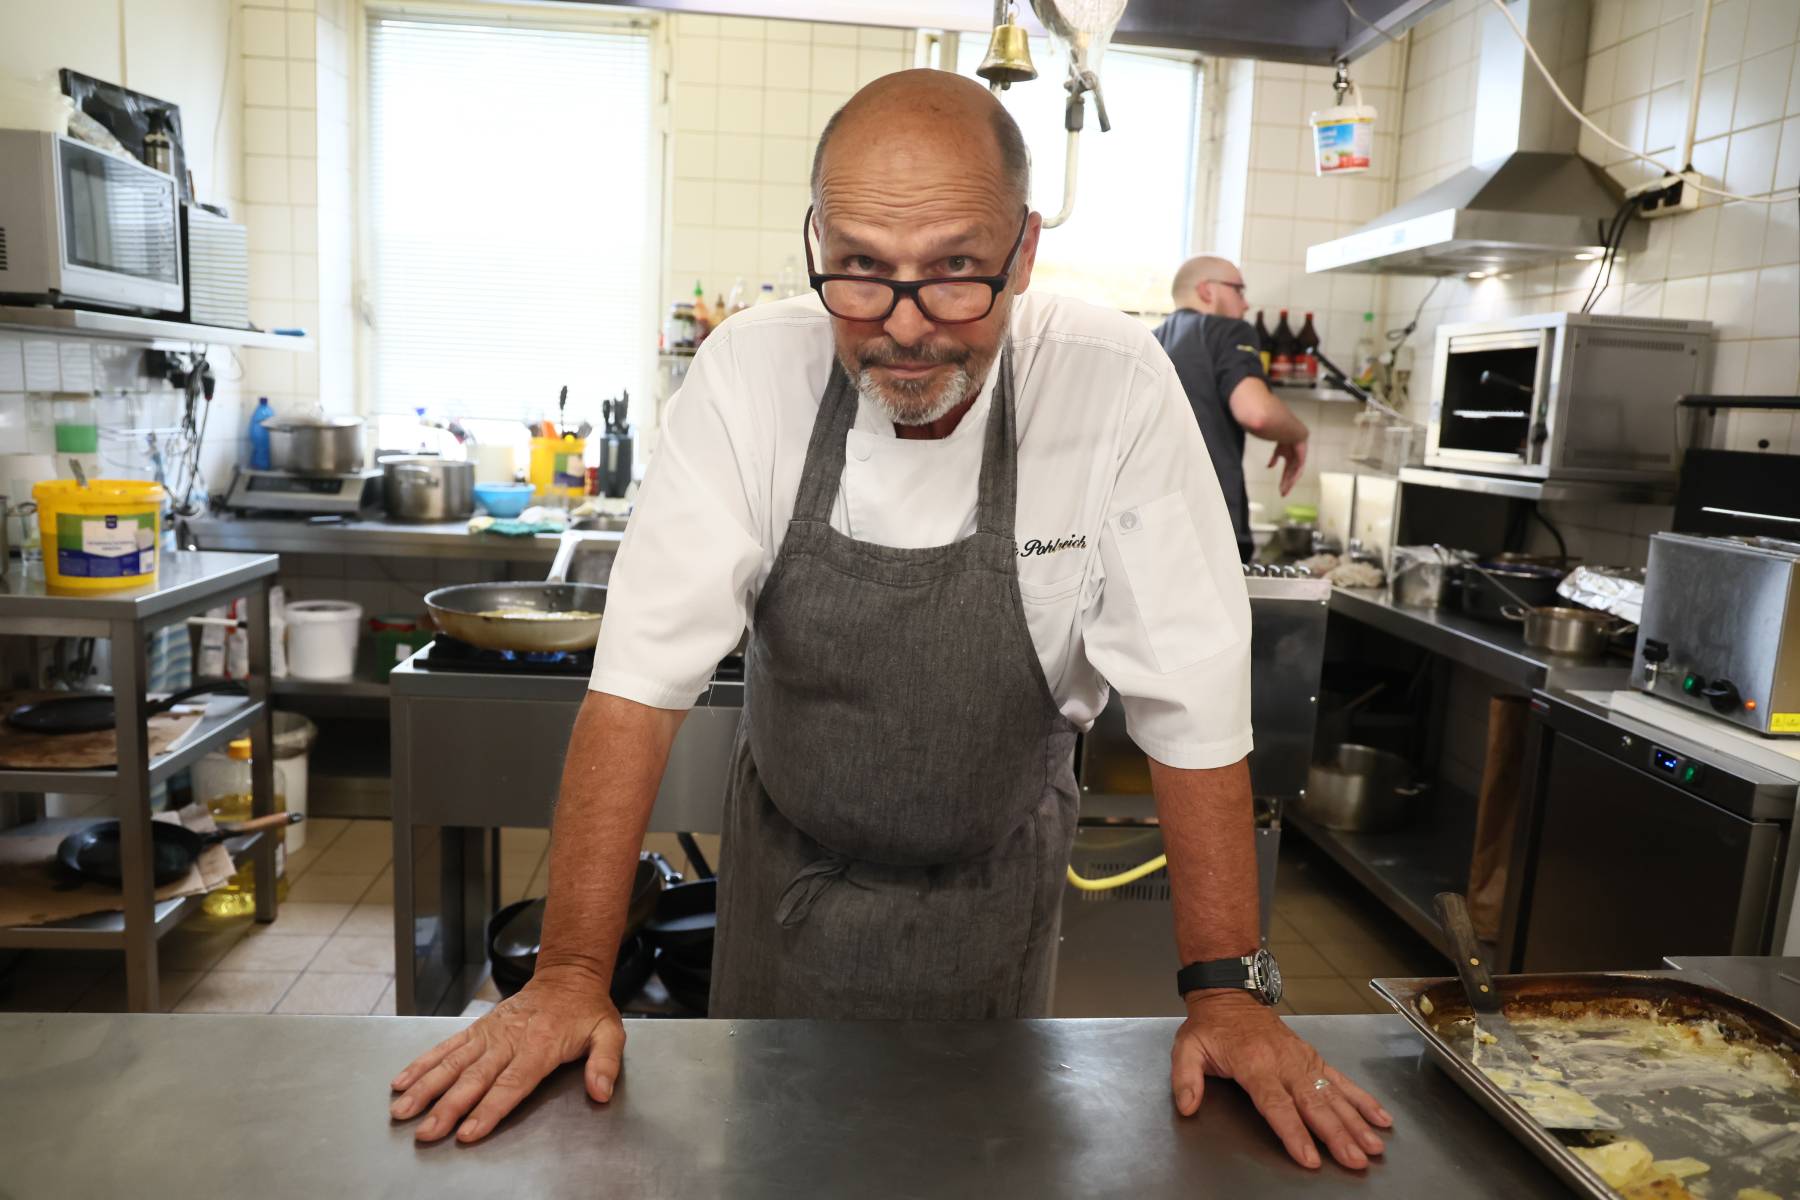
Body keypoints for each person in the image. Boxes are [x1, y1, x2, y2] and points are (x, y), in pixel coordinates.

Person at [388, 70, 1390, 1172]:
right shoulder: (748, 376)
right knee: (772, 1163)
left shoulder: (1110, 386)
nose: (905, 329)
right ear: (816, 240)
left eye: (957, 272)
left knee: (980, 1166)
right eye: (861, 269)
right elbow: (638, 685)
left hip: (996, 896)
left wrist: (1229, 994)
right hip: (786, 890)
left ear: (1025, 250)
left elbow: (1190, 697)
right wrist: (572, 974)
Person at [1154, 257, 1310, 563]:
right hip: (1211, 529)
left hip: (1155, 529)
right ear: (1207, 290)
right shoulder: (1227, 331)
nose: (1246, 303)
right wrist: (1299, 432)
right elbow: (1257, 413)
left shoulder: (1151, 341)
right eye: (1239, 290)